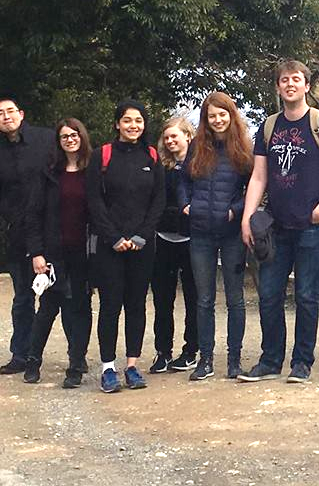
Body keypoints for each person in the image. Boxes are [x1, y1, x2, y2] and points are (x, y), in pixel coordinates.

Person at [239, 60, 319, 384]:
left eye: (296, 79)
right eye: (284, 80)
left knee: (306, 295)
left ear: (306, 85)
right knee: (269, 294)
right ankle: (270, 360)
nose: (290, 84)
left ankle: (302, 362)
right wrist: (247, 217)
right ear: (278, 86)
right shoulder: (269, 127)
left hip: (312, 226)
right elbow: (259, 176)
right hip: (276, 225)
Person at [87, 100, 166, 393]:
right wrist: (113, 237)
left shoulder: (152, 156)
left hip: (142, 245)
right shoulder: (102, 155)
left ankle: (132, 365)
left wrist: (142, 235)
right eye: (127, 120)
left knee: (136, 305)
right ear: (117, 123)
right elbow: (94, 200)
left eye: (139, 120)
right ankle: (108, 367)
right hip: (110, 245)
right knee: (110, 306)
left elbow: (159, 199)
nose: (133, 125)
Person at [178, 92, 252, 381]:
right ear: (205, 119)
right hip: (200, 233)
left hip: (231, 233)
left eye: (222, 114)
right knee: (204, 299)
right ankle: (205, 359)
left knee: (235, 299)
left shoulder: (243, 148)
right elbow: (183, 180)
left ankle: (234, 360)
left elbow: (253, 187)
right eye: (212, 116)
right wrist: (186, 204)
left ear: (231, 115)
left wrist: (236, 210)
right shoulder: (197, 147)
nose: (218, 120)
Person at [23, 118, 93, 388]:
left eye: (74, 134)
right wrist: (37, 253)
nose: (70, 140)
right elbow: (33, 214)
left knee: (81, 308)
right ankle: (33, 361)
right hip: (53, 252)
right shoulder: (49, 173)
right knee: (48, 308)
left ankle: (76, 364)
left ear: (82, 137)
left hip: (84, 252)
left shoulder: (93, 171)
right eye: (65, 136)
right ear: (58, 141)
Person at [0, 96, 56, 375]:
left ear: (21, 114)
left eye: (10, 111)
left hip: (52, 229)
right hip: (17, 232)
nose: (5, 116)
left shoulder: (46, 139)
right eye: (0, 113)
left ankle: (73, 357)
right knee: (23, 296)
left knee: (58, 297)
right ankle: (21, 354)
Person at [149, 117, 198, 374]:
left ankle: (191, 350)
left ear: (188, 136)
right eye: (166, 137)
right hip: (164, 238)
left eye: (174, 136)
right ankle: (162, 351)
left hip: (192, 239)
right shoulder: (160, 167)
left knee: (193, 298)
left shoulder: (200, 165)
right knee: (162, 299)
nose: (170, 141)